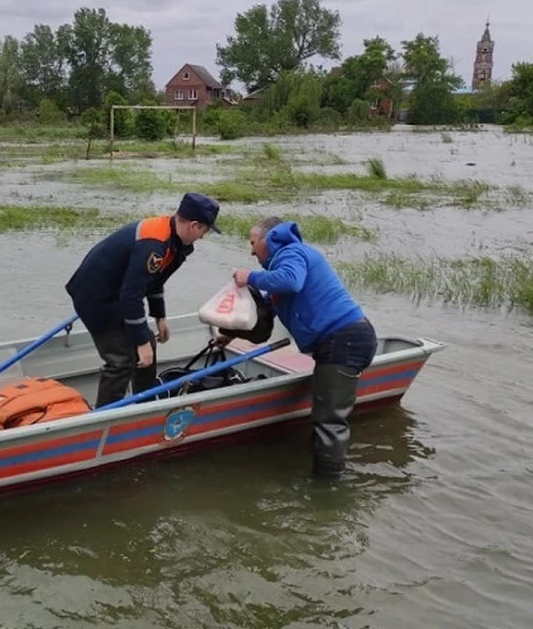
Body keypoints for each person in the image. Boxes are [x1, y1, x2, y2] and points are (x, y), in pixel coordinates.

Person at [222, 216, 378, 477]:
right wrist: (229, 335)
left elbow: (291, 281)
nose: (251, 251)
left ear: (267, 239)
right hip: (338, 342)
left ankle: (327, 491)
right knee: (324, 416)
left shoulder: (291, 253)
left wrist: (250, 276)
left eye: (252, 243)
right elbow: (261, 322)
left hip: (345, 339)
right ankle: (319, 470)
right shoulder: (279, 271)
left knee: (329, 421)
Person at [65, 193, 222, 407]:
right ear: (194, 225)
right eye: (204, 231)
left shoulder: (173, 240)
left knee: (147, 341)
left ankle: (146, 404)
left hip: (118, 292)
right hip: (95, 296)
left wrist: (159, 316)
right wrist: (139, 342)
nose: (202, 237)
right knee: (121, 360)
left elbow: (154, 280)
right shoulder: (154, 244)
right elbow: (132, 294)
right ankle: (103, 419)